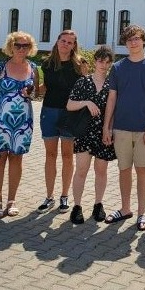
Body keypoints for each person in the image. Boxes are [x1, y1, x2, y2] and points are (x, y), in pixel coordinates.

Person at [102, 24, 145, 231]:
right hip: (121, 128)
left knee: (142, 171)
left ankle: (142, 212)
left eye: (137, 38)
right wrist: (107, 127)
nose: (133, 43)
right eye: (129, 40)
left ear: (143, 40)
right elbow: (112, 99)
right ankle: (125, 208)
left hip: (143, 129)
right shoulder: (118, 68)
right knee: (124, 170)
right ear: (125, 43)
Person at [0, 32, 40, 218]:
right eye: (18, 45)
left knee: (16, 157)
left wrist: (29, 94)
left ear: (30, 49)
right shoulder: (0, 67)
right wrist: (1, 103)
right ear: (11, 46)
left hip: (23, 121)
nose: (21, 49)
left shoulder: (34, 68)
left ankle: (11, 200)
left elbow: (36, 93)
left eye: (25, 46)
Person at [36, 30, 87, 214]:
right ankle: (49, 197)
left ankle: (64, 196)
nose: (66, 44)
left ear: (74, 45)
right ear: (57, 41)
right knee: (50, 155)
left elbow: (84, 88)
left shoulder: (80, 65)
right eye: (63, 40)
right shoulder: (47, 63)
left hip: (70, 114)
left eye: (70, 42)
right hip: (49, 111)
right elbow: (46, 87)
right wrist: (32, 90)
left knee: (67, 156)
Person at [65, 45, 116, 224]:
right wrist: (86, 102)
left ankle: (98, 204)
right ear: (95, 61)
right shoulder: (83, 82)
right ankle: (77, 206)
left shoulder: (112, 84)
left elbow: (115, 110)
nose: (103, 64)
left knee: (101, 171)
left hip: (104, 133)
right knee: (81, 170)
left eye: (107, 62)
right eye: (101, 60)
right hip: (84, 132)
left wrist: (108, 129)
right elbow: (70, 105)